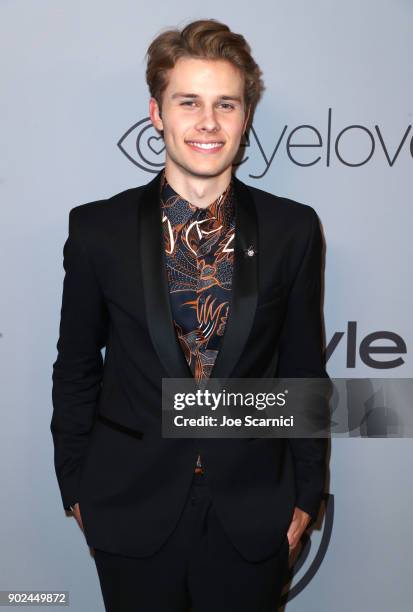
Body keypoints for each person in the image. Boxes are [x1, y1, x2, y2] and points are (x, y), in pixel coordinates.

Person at [51, 18, 329, 612]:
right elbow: (76, 365)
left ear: (245, 118)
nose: (208, 122)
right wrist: (75, 484)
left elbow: (304, 367)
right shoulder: (97, 230)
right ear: (157, 114)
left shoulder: (292, 230)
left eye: (225, 104)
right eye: (189, 102)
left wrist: (308, 493)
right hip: (130, 504)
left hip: (253, 508)